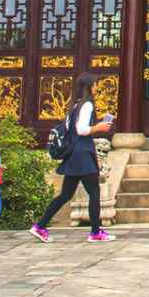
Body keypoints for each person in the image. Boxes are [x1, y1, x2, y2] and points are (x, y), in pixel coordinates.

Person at [33, 76, 114, 243]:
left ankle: (40, 226)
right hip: (82, 154)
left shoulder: (75, 106)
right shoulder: (87, 104)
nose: (97, 87)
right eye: (95, 84)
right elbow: (82, 130)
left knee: (66, 194)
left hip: (75, 154)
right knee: (94, 192)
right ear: (90, 86)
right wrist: (99, 127)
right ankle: (95, 232)